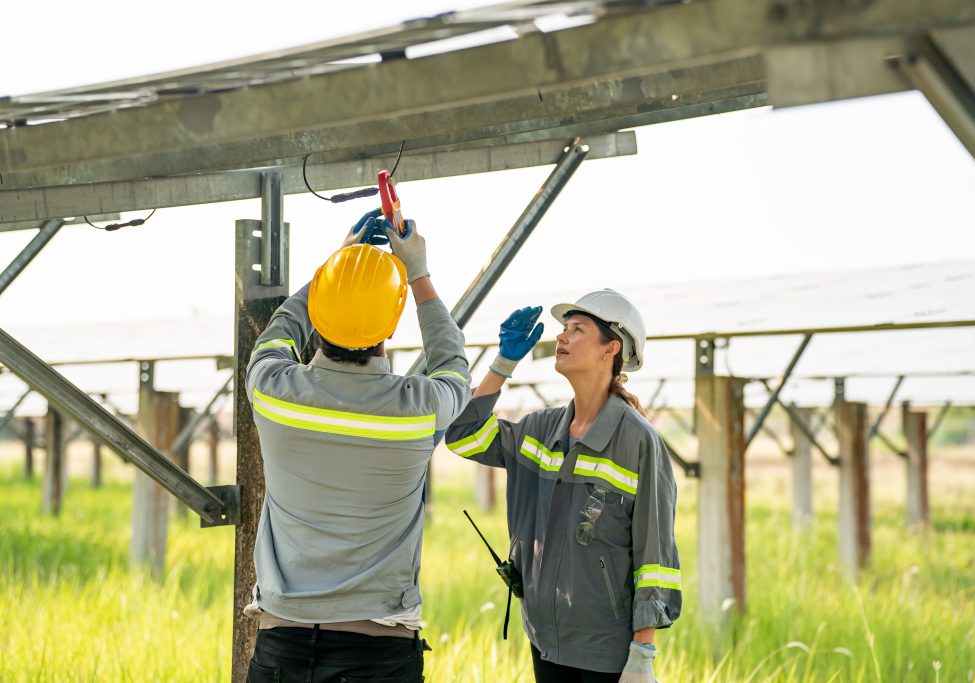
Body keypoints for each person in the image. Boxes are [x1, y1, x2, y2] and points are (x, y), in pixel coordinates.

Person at [243, 209, 471, 682]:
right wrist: (419, 273)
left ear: (320, 317)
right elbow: (452, 361)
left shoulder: (271, 391)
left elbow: (281, 329)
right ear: (390, 327)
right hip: (377, 650)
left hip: (280, 644)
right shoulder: (417, 407)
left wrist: (340, 261)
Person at [445, 290, 681, 683]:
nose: (562, 337)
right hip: (544, 636)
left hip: (605, 648)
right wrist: (503, 363)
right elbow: (463, 435)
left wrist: (643, 651)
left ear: (611, 349)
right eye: (563, 329)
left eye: (577, 329)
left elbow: (655, 555)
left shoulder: (638, 442)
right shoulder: (540, 429)